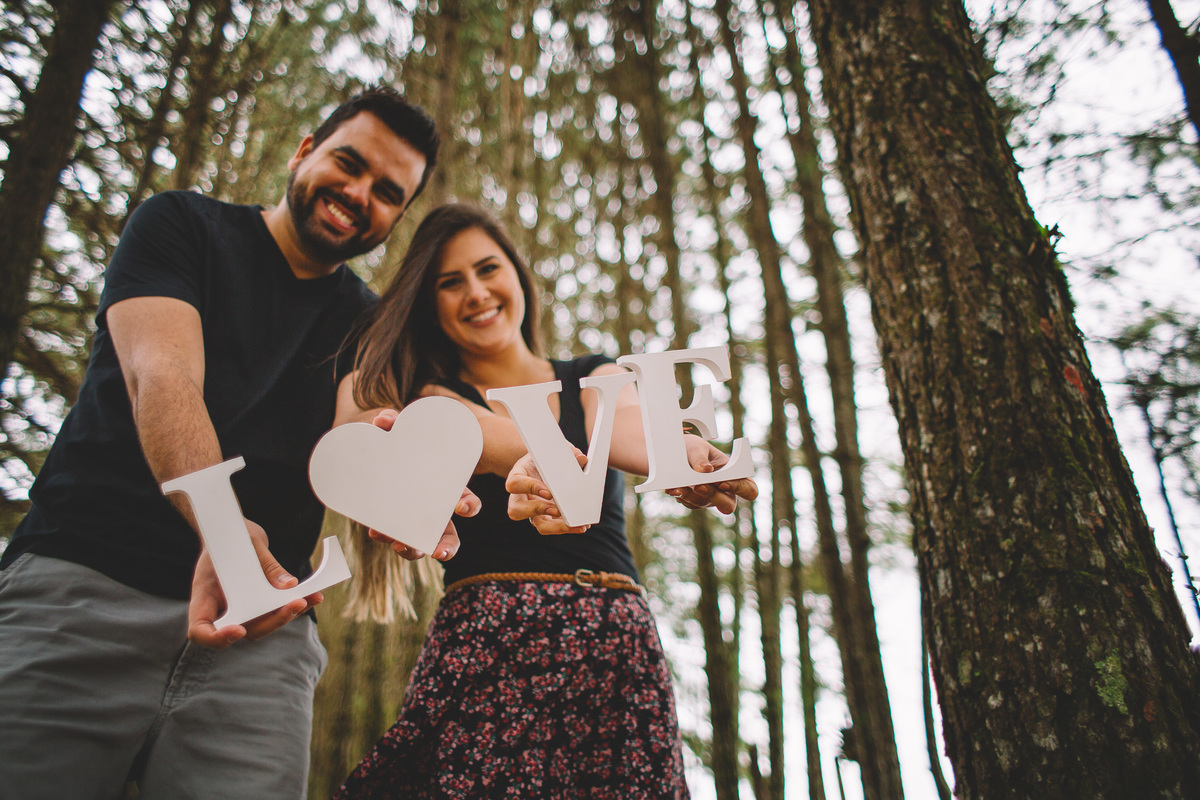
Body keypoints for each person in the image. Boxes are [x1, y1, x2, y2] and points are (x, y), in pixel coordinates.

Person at [0, 88, 459, 799]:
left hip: (262, 636)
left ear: (396, 218)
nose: (358, 193)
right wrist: (220, 527)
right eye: (348, 162)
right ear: (305, 152)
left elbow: (356, 426)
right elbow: (162, 372)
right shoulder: (180, 224)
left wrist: (395, 484)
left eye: (387, 192)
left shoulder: (368, 323)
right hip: (81, 590)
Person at [331, 203, 757, 799]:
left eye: (487, 269)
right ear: (429, 306)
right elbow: (470, 426)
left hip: (617, 647)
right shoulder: (432, 395)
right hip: (488, 643)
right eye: (450, 283)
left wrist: (679, 453)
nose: (476, 292)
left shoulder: (593, 375)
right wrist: (531, 452)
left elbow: (633, 428)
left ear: (517, 275)